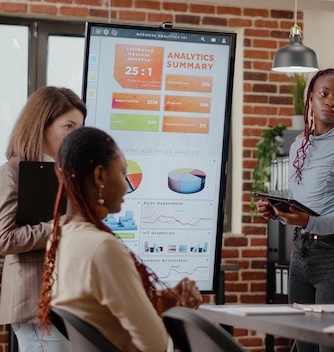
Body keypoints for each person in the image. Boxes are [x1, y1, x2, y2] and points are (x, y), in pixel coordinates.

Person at [36, 127, 203, 352]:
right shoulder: (103, 249)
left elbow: (100, 313)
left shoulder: (59, 239)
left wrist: (164, 300)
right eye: (123, 173)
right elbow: (157, 346)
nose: (127, 185)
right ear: (100, 176)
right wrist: (181, 315)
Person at [256, 68, 334, 352]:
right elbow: (303, 206)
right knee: (303, 343)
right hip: (300, 254)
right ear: (310, 97)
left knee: (330, 346)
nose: (331, 101)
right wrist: (279, 213)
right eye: (324, 94)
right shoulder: (298, 147)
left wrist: (310, 221)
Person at [0, 86, 86, 351]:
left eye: (79, 128)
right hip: (34, 301)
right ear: (42, 124)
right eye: (68, 126)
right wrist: (59, 227)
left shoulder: (68, 174)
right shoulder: (13, 172)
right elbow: (4, 239)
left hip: (69, 301)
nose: (76, 136)